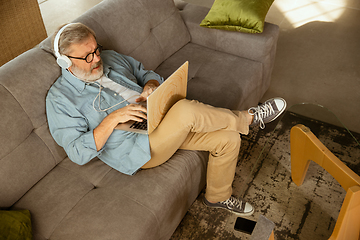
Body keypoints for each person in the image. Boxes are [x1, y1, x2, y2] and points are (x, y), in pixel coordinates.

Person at [46, 23, 286, 217]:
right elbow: (77, 153)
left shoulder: (109, 58)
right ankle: (250, 117)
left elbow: (146, 73)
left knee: (228, 138)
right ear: (65, 62)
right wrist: (112, 119)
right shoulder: (60, 99)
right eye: (87, 56)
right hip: (136, 147)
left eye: (96, 49)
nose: (97, 58)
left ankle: (217, 197)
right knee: (185, 110)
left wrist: (151, 85)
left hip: (158, 117)